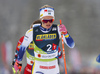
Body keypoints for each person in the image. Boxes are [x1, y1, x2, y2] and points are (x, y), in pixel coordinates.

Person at [14, 5, 75, 74]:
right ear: (41, 20)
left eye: (51, 20)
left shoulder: (58, 29)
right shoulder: (32, 32)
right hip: (39, 67)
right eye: (45, 20)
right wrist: (18, 61)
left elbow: (71, 45)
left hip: (53, 68)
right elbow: (23, 47)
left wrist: (66, 34)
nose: (48, 23)